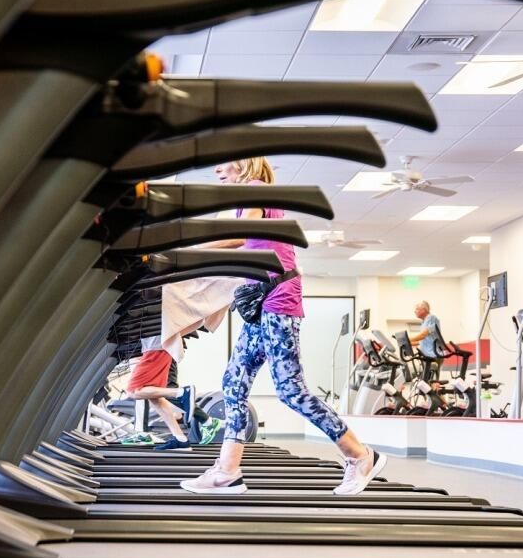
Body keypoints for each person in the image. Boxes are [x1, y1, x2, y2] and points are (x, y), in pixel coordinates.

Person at [180, 157, 387, 495]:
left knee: (291, 390)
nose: (216, 169)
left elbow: (237, 237)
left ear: (244, 162)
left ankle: (360, 455)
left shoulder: (255, 190)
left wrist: (187, 249)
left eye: (223, 163)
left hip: (278, 302)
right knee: (233, 382)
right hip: (261, 303)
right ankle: (227, 472)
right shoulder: (246, 200)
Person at [124, 340, 198, 450]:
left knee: (134, 390)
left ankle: (182, 393)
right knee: (154, 397)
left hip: (155, 348)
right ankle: (181, 440)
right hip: (155, 348)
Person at [409, 300, 443, 381]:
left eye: (417, 309)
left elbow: (423, 335)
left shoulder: (431, 318)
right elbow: (422, 341)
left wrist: (408, 339)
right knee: (426, 381)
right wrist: (408, 343)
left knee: (432, 382)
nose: (415, 311)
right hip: (427, 356)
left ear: (424, 309)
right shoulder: (423, 323)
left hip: (434, 355)